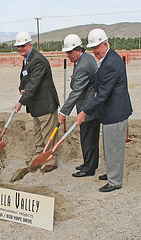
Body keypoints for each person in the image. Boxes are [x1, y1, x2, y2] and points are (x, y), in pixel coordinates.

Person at [76, 29, 133, 192]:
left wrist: (84, 112)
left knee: (114, 147)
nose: (95, 51)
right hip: (110, 111)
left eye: (97, 48)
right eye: (92, 48)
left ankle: (115, 181)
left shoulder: (111, 63)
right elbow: (100, 85)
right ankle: (112, 173)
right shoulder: (108, 58)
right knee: (109, 146)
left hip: (116, 112)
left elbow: (102, 95)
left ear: (106, 44)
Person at [13, 31, 60, 173]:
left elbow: (34, 84)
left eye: (23, 46)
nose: (20, 48)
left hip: (45, 104)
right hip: (36, 105)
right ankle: (39, 155)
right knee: (38, 133)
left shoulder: (37, 60)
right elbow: (25, 79)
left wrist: (21, 101)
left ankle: (51, 160)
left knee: (48, 133)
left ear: (30, 45)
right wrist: (21, 88)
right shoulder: (27, 59)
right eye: (18, 46)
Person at [58, 34, 100, 177]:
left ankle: (89, 169)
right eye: (67, 52)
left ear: (78, 49)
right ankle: (89, 163)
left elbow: (76, 92)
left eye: (70, 52)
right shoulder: (85, 58)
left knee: (88, 138)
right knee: (88, 137)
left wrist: (63, 112)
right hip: (88, 106)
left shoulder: (83, 65)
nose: (68, 55)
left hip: (88, 108)